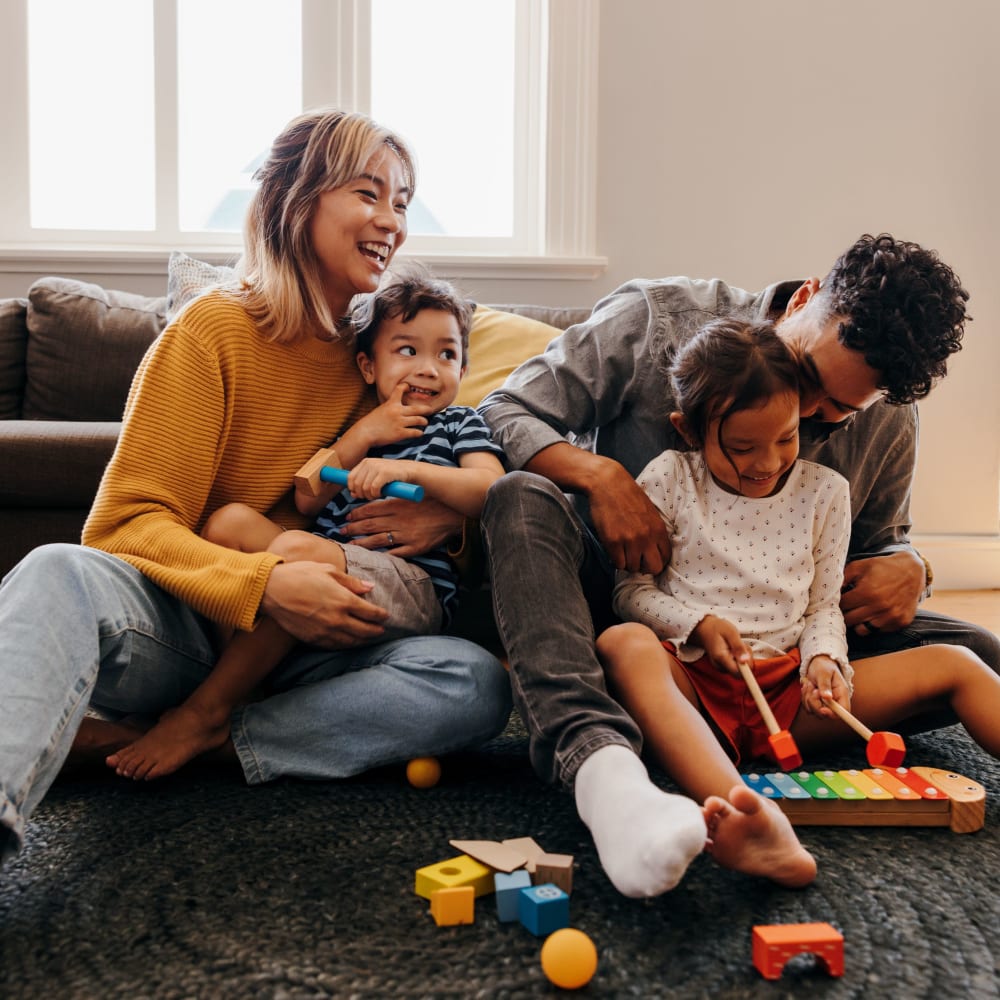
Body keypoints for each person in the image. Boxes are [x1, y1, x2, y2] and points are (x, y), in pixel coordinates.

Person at [0, 109, 513, 865]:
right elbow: (123, 525)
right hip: (186, 627)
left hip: (315, 648)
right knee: (55, 572)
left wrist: (448, 523)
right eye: (368, 193)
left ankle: (196, 738)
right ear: (298, 199)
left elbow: (454, 477)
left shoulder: (379, 357)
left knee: (473, 684)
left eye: (401, 201)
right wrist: (263, 586)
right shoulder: (211, 333)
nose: (390, 221)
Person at [478, 233, 1000, 899]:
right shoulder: (654, 321)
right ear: (807, 298)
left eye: (834, 415)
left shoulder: (889, 416)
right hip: (630, 614)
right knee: (519, 499)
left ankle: (707, 735)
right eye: (807, 379)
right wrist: (601, 477)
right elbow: (504, 409)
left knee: (975, 650)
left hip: (788, 649)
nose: (802, 420)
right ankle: (601, 762)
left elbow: (874, 551)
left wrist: (911, 565)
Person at [595, 317, 1000, 891]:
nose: (766, 462)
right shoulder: (669, 478)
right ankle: (742, 812)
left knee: (958, 663)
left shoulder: (826, 492)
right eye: (741, 447)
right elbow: (631, 593)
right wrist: (699, 625)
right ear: (689, 430)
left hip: (790, 695)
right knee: (621, 642)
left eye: (785, 438)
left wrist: (824, 662)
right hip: (692, 685)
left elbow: (822, 609)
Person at [106, 267, 506, 781]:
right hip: (321, 574)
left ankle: (208, 712)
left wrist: (407, 469)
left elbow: (490, 490)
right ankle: (245, 688)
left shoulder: (459, 424)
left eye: (446, 354)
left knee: (300, 551)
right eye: (408, 351)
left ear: (463, 368)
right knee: (230, 523)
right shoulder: (359, 424)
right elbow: (307, 494)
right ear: (368, 365)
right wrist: (362, 435)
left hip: (407, 583)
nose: (428, 368)